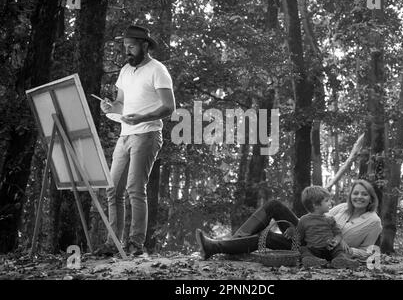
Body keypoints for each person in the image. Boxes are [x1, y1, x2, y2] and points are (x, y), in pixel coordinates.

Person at [95, 25, 175, 256]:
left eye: (131, 46)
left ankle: (135, 245)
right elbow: (120, 103)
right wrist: (109, 106)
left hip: (147, 134)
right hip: (125, 135)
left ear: (145, 45)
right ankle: (113, 244)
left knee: (134, 189)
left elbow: (169, 107)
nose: (127, 51)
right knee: (112, 189)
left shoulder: (158, 70)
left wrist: (143, 117)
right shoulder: (125, 71)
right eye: (125, 47)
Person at [195, 179, 382, 266]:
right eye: (356, 193)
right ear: (351, 195)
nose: (359, 197)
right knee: (274, 210)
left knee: (266, 237)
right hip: (305, 237)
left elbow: (369, 251)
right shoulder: (341, 207)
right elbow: (317, 217)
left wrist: (345, 247)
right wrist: (296, 227)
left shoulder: (374, 222)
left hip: (324, 250)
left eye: (364, 194)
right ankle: (224, 244)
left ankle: (220, 246)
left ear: (371, 198)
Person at [294, 186, 359, 268]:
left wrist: (335, 241)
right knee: (303, 249)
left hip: (330, 250)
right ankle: (313, 260)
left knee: (339, 249)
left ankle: (341, 260)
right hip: (313, 250)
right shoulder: (304, 220)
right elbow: (299, 237)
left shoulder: (330, 219)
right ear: (315, 205)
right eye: (326, 201)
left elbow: (338, 234)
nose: (330, 203)